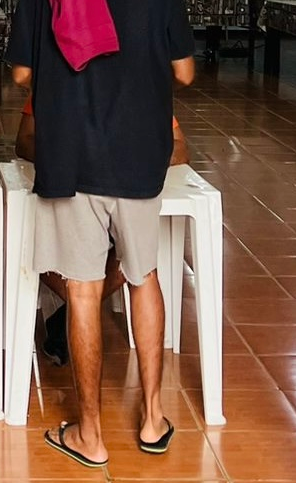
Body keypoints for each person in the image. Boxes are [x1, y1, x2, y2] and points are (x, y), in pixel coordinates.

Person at [6, 0, 195, 467]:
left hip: (71, 153)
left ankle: (88, 434)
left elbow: (17, 76)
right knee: (144, 279)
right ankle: (153, 417)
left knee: (83, 293)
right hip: (140, 154)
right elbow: (185, 73)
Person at [14, 96, 190, 367]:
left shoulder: (138, 85)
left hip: (126, 194)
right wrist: (69, 158)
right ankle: (76, 314)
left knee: (131, 255)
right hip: (74, 195)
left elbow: (179, 146)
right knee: (35, 246)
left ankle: (72, 318)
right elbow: (24, 140)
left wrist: (136, 159)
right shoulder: (55, 80)